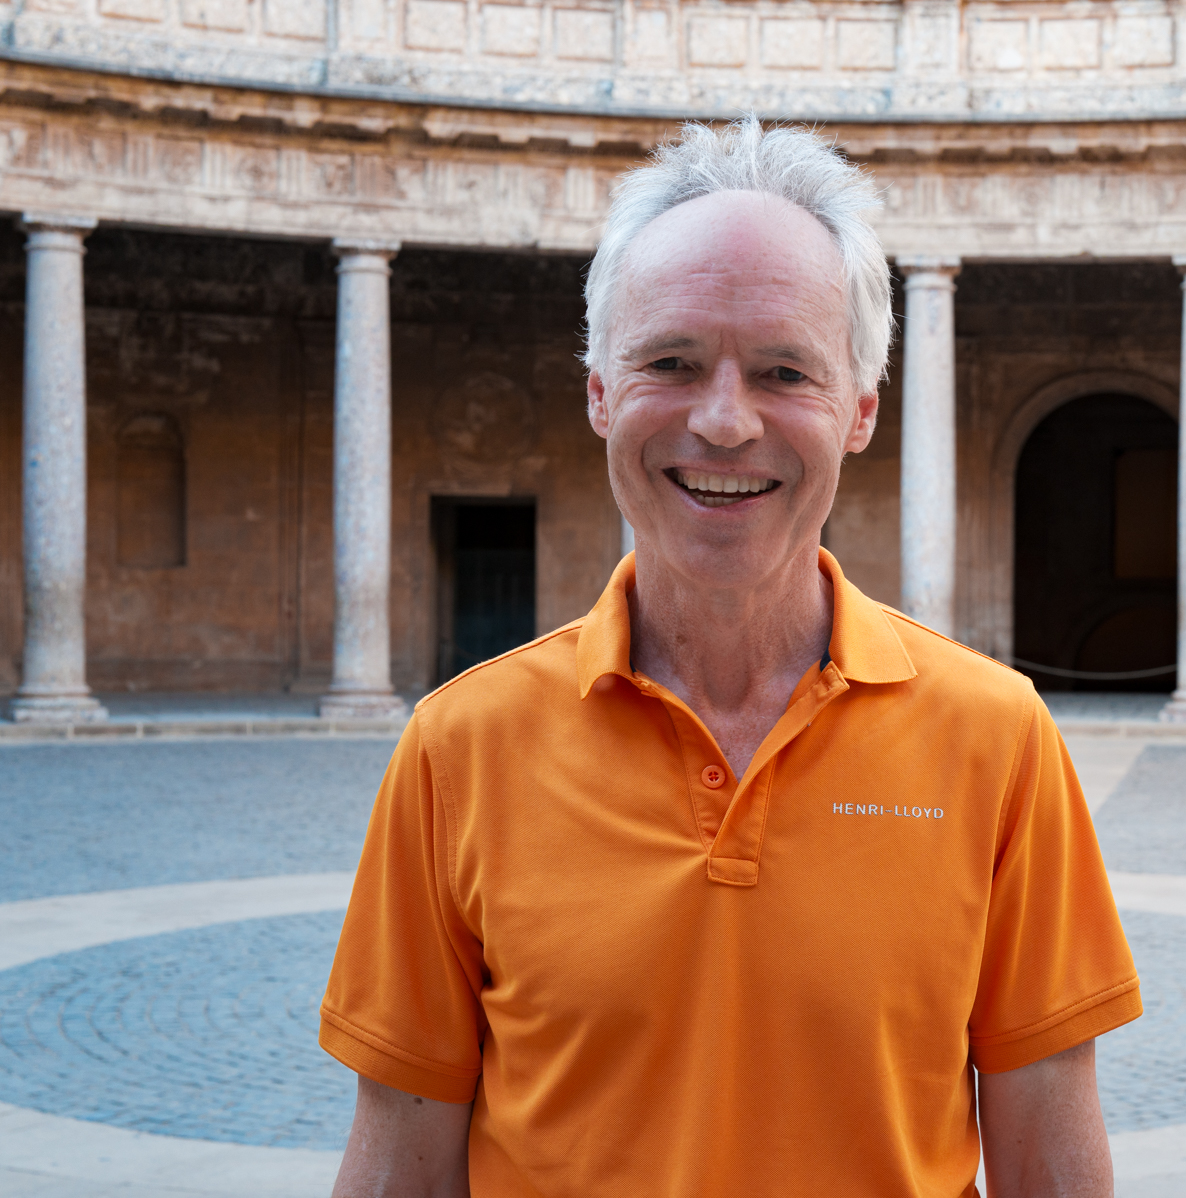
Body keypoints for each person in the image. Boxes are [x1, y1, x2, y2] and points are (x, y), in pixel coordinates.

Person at [319, 116, 1141, 1198]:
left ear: (858, 410)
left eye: (783, 370)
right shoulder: (457, 748)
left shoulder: (997, 737)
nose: (722, 420)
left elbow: (1052, 1170)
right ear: (600, 392)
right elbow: (401, 1172)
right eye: (670, 361)